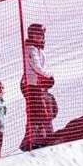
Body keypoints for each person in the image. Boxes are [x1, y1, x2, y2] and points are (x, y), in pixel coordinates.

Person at [20, 22, 56, 150]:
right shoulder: (31, 49)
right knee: (38, 112)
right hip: (29, 84)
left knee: (39, 111)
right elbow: (36, 67)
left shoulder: (37, 49)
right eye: (38, 34)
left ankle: (35, 138)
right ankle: (32, 140)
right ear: (32, 35)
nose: (41, 36)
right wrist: (48, 76)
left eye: (42, 34)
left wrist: (44, 80)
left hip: (35, 83)